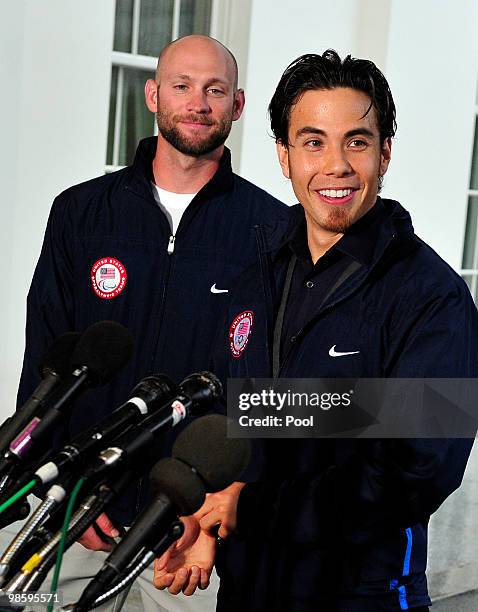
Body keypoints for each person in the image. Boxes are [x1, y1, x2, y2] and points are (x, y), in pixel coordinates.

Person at [154, 50, 478, 611]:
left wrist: (252, 506)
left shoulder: (432, 295)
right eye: (312, 141)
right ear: (283, 156)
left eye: (357, 141)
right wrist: (207, 519)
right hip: (250, 589)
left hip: (363, 595)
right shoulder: (257, 276)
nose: (336, 165)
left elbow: (417, 470)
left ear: (385, 153)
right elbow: (240, 413)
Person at [16, 35, 290, 611]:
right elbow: (46, 362)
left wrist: (213, 503)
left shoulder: (271, 230)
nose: (198, 102)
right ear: (152, 94)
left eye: (215, 90)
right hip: (74, 515)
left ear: (237, 106)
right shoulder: (80, 213)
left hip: (185, 534)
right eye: (182, 86)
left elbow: (264, 386)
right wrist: (65, 493)